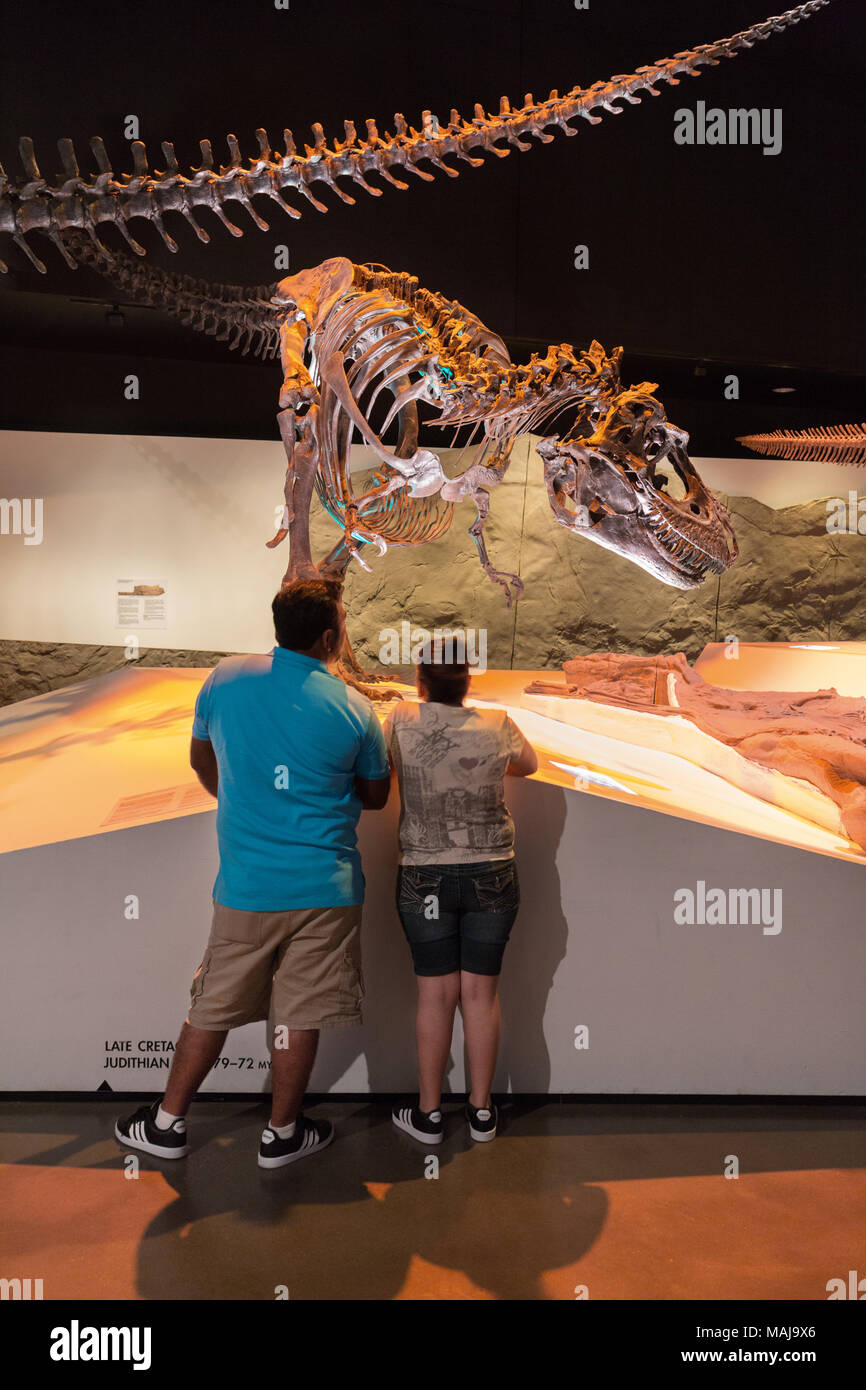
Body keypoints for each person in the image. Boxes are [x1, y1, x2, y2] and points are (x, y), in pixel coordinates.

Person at [115, 579, 390, 1169]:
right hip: (326, 889)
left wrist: (237, 799)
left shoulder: (225, 679)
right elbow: (375, 796)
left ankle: (167, 1125)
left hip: (247, 888)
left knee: (212, 1003)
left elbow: (200, 755)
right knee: (300, 1012)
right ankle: (281, 1134)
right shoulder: (355, 708)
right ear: (329, 635)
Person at [383, 642, 538, 1144]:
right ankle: (482, 1112)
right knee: (480, 994)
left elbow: (379, 771)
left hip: (424, 873)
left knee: (435, 994)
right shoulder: (497, 723)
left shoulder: (401, 718)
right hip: (492, 871)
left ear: (420, 679)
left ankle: (429, 1116)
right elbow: (529, 765)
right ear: (468, 681)